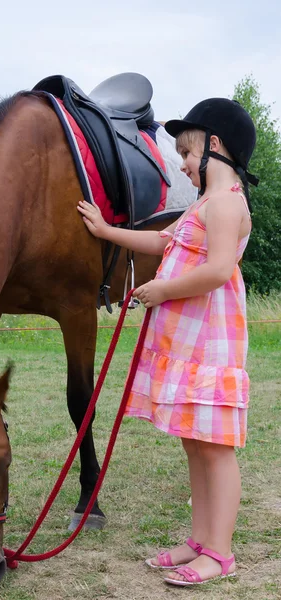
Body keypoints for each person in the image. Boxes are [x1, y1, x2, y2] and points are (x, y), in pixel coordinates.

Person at [77, 98, 258, 587]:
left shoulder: (226, 203)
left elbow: (219, 270)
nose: (182, 163)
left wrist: (159, 290)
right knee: (195, 445)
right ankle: (200, 541)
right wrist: (107, 230)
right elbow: (163, 243)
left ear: (215, 146)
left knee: (215, 449)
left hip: (209, 343)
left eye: (188, 152)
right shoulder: (203, 203)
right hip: (187, 342)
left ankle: (219, 553)